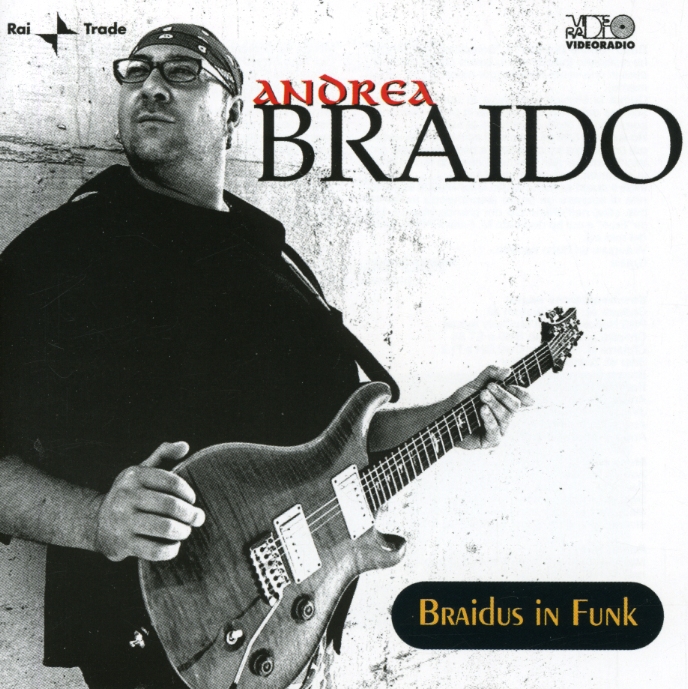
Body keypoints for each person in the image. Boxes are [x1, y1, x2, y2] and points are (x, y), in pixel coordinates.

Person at [0, 23, 533, 689]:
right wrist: (96, 521)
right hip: (156, 646)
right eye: (136, 71)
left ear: (233, 113)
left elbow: (338, 447)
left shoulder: (277, 261)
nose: (152, 85)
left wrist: (450, 419)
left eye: (182, 71)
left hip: (299, 640)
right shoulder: (64, 251)